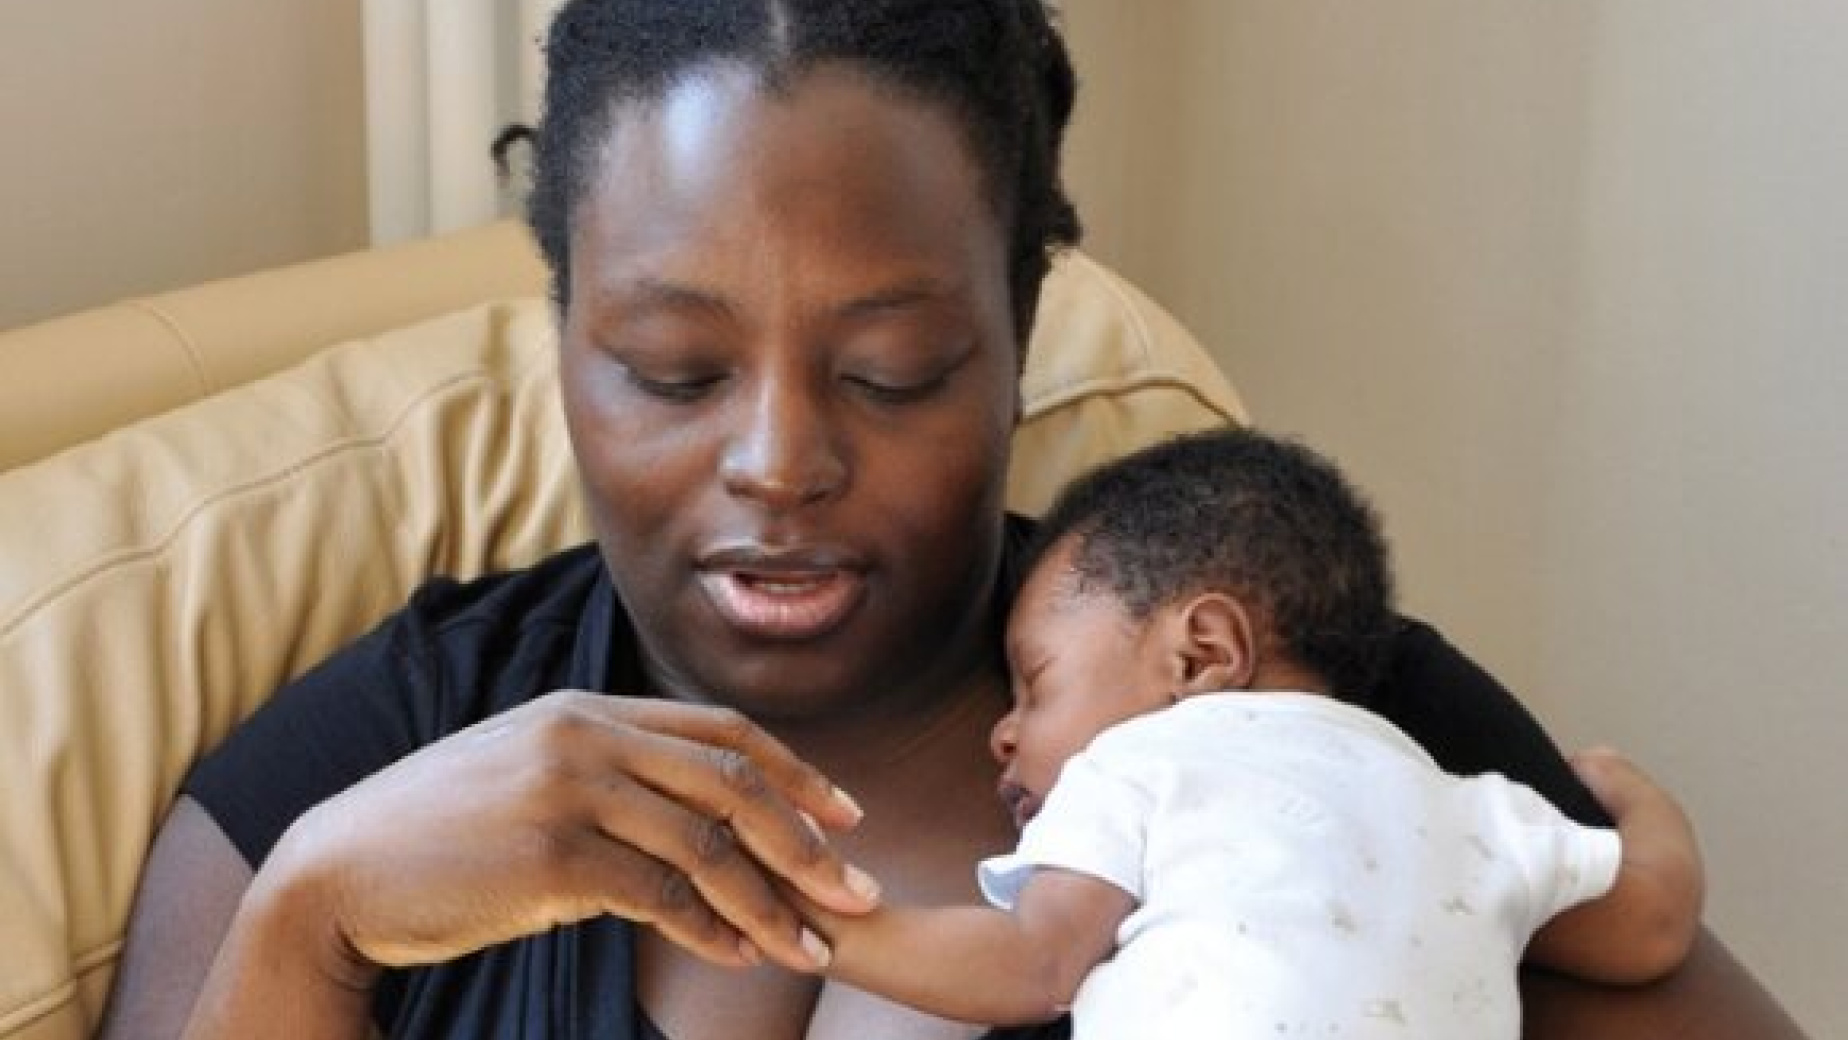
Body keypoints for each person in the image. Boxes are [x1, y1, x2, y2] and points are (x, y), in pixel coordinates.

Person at [91, 2, 1738, 1039]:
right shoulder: (373, 755)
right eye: (672, 369)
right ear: (565, 338)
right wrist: (311, 918)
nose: (778, 461)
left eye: (890, 369)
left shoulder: (1285, 715)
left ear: (1020, 334)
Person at [789, 427, 1702, 1038]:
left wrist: (810, 923)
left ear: (1202, 653)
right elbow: (1654, 921)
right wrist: (1629, 790)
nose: (1004, 732)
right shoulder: (1472, 807)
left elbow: (1036, 963)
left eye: (1035, 683)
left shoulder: (1139, 766)